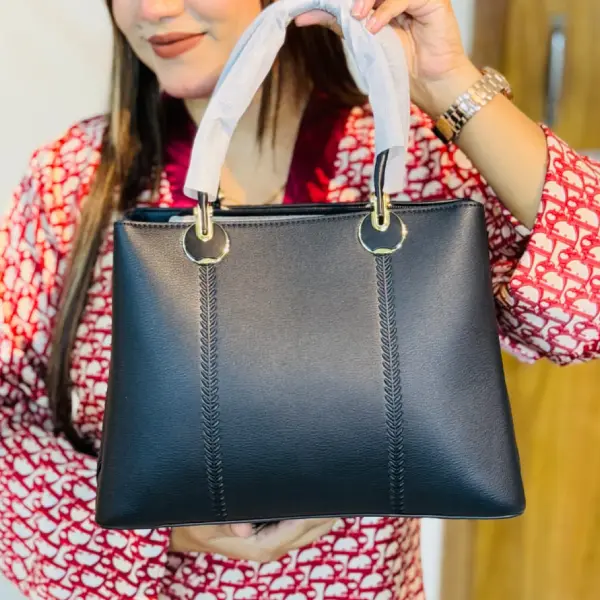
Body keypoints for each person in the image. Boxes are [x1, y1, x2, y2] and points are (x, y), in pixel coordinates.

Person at [1, 0, 599, 598]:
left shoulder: (408, 157)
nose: (154, 9)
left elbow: (586, 304)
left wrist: (447, 82)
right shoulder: (74, 179)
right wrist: (162, 532)